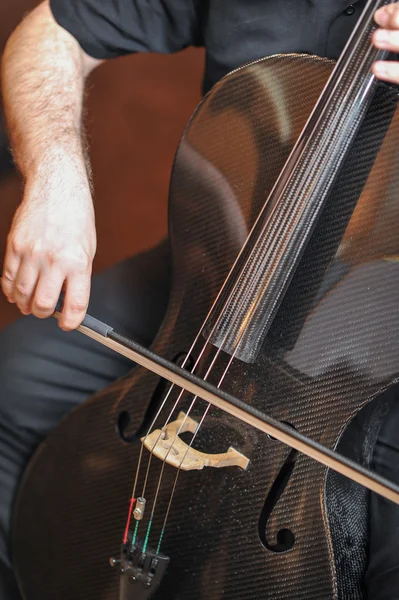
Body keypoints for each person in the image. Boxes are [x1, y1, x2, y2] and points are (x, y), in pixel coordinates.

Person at [1, 1, 399, 598]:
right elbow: (52, 30)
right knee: (16, 379)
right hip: (218, 270)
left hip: (380, 335)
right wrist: (55, 179)